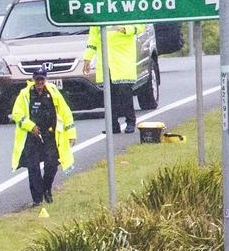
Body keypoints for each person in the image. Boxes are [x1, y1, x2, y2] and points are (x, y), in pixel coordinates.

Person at [10, 63, 76, 206]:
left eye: (42, 79)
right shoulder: (25, 95)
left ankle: (47, 188)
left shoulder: (52, 92)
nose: (40, 82)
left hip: (49, 135)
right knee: (33, 168)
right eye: (37, 79)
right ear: (33, 79)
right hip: (32, 137)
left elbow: (65, 112)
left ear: (45, 79)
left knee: (52, 164)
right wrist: (30, 126)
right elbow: (16, 114)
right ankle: (37, 199)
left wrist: (71, 133)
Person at [82, 23, 143, 133]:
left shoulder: (125, 10)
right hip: (106, 62)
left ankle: (130, 122)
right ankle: (113, 125)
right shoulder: (98, 15)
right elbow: (93, 39)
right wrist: (87, 58)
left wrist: (126, 29)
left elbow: (140, 26)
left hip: (122, 60)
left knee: (124, 92)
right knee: (109, 95)